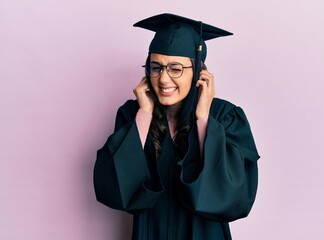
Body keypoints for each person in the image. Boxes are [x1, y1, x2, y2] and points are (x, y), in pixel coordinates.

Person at [93, 13, 260, 240]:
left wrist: (203, 118)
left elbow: (235, 196)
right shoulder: (132, 114)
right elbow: (114, 188)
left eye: (175, 68)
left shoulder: (225, 116)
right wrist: (145, 113)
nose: (163, 79)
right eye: (156, 67)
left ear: (199, 72)